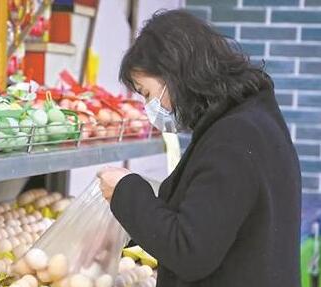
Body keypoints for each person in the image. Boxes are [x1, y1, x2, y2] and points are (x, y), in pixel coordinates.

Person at [97, 9, 301, 287]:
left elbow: (190, 251)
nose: (149, 108)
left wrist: (126, 192)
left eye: (147, 93)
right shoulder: (250, 120)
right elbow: (211, 217)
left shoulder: (234, 138)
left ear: (174, 73)